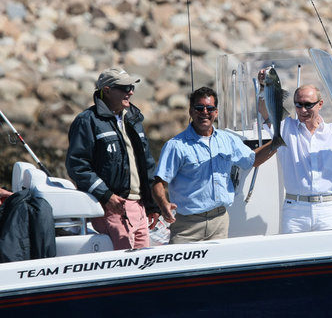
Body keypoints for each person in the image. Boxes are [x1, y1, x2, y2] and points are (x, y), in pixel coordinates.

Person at [152, 87, 276, 244]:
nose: (205, 112)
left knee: (218, 269)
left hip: (220, 222)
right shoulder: (175, 146)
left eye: (209, 108)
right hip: (186, 227)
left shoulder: (227, 139)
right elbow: (159, 183)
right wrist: (164, 205)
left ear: (216, 112)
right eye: (199, 108)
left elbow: (253, 160)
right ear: (191, 111)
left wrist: (276, 142)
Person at [258, 68, 332, 233]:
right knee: (294, 257)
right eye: (298, 105)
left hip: (327, 209)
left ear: (320, 104)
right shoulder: (285, 128)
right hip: (294, 210)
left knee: (330, 256)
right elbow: (265, 111)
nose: (302, 110)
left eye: (308, 105)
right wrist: (264, 86)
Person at [66, 67, 160, 250]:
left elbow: (146, 164)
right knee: (124, 268)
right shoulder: (87, 121)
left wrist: (152, 205)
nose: (130, 92)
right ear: (107, 91)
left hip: (139, 207)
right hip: (113, 209)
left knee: (143, 269)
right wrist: (106, 196)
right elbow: (77, 165)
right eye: (124, 88)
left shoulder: (134, 119)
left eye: (131, 87)